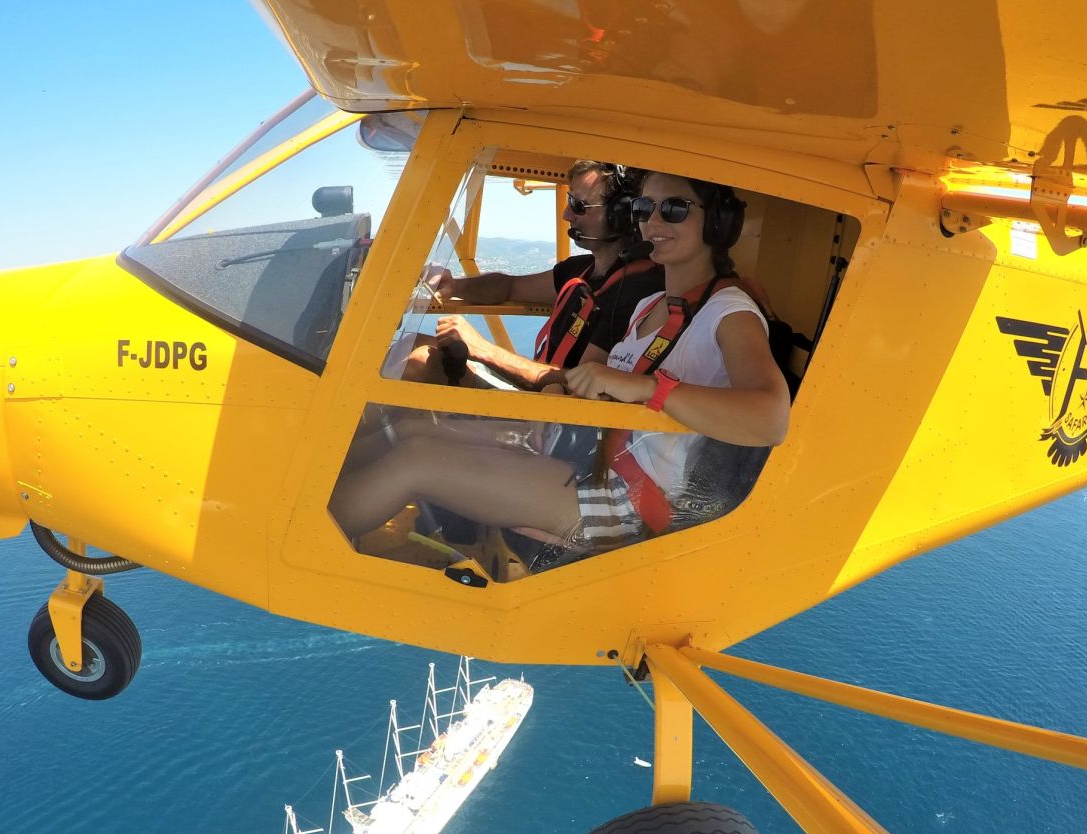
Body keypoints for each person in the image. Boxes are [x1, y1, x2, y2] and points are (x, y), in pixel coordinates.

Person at [331, 172, 789, 554]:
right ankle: (311, 493)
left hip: (631, 500)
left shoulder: (730, 312)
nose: (652, 221)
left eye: (674, 209)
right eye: (643, 209)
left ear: (718, 224)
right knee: (410, 430)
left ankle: (295, 539)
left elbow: (770, 419)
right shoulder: (650, 304)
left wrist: (652, 389)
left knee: (416, 460)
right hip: (593, 458)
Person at [401, 161, 665, 389]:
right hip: (539, 387)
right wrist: (457, 286)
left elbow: (582, 385)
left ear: (620, 215)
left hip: (556, 413)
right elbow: (508, 287)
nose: (566, 214)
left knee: (420, 363)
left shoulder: (635, 291)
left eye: (578, 205)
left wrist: (482, 349)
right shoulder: (580, 270)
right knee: (411, 344)